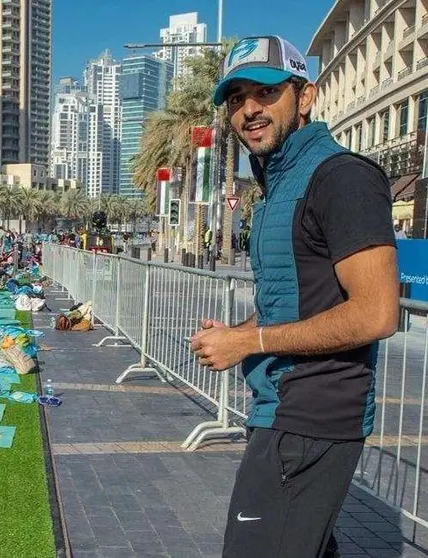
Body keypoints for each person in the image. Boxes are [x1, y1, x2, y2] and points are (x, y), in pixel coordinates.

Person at [190, 36, 400, 558]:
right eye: (236, 98)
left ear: (304, 97)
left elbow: (376, 313)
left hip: (311, 415)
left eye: (265, 92)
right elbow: (299, 298)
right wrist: (240, 335)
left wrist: (252, 341)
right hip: (283, 407)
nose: (249, 109)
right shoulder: (278, 186)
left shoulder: (341, 178)